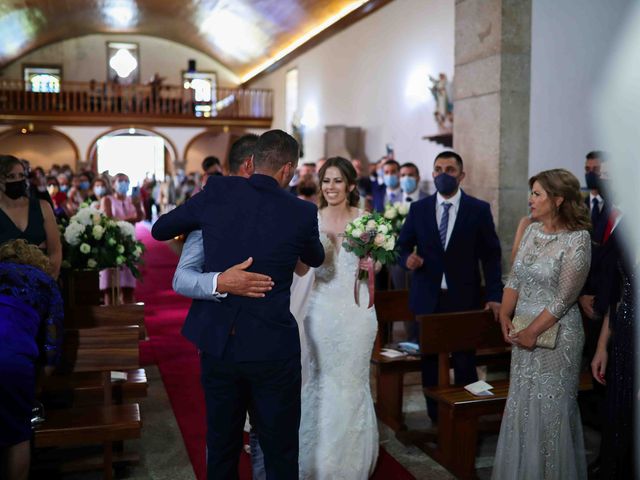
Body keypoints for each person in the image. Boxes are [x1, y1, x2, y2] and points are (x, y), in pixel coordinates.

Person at [152, 129, 324, 479]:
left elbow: (160, 229)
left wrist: (210, 232)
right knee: (280, 449)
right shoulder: (301, 212)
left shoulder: (217, 191)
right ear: (287, 169)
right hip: (272, 347)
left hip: (220, 343)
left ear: (251, 161)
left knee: (223, 444)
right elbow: (316, 258)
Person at [172, 134, 270, 480]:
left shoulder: (281, 213)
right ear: (249, 168)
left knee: (266, 437)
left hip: (267, 341)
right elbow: (181, 279)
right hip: (220, 341)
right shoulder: (211, 213)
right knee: (223, 438)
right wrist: (219, 282)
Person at [493, 168, 591, 480]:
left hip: (558, 336)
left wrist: (533, 333)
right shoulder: (533, 232)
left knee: (551, 411)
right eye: (531, 193)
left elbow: (564, 298)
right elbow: (515, 276)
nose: (530, 200)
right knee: (522, 405)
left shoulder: (578, 239)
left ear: (558, 199)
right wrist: (505, 316)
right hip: (522, 331)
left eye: (537, 194)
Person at [397, 150, 502, 424]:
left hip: (463, 297)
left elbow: (491, 256)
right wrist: (406, 258)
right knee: (429, 362)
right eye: (439, 169)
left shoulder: (478, 210)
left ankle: (465, 423)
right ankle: (436, 420)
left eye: (450, 170)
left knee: (466, 362)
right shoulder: (418, 209)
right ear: (432, 174)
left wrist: (494, 295)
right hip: (427, 296)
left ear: (461, 175)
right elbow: (402, 244)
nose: (444, 175)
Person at [296, 157, 379, 479]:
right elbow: (301, 270)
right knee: (322, 381)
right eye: (326, 181)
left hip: (358, 312)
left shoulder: (366, 220)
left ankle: (352, 462)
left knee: (352, 382)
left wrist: (373, 266)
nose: (331, 187)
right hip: (320, 311)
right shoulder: (309, 220)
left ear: (351, 186)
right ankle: (316, 461)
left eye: (337, 181)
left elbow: (376, 266)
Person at [0, 239, 63, 480]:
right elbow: (51, 345)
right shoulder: (46, 283)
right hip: (13, 361)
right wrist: (36, 386)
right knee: (18, 435)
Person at [0, 155, 62, 278]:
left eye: (21, 175)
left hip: (42, 282)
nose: (18, 180)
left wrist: (50, 279)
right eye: (11, 176)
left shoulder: (42, 207)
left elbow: (55, 250)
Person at [99, 173, 144, 304]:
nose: (123, 183)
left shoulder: (132, 199)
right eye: (120, 181)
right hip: (111, 244)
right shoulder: (107, 199)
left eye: (126, 181)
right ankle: (110, 320)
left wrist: (137, 206)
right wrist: (131, 219)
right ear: (113, 184)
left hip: (129, 244)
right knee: (110, 287)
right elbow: (109, 219)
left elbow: (140, 217)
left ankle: (127, 319)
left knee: (128, 286)